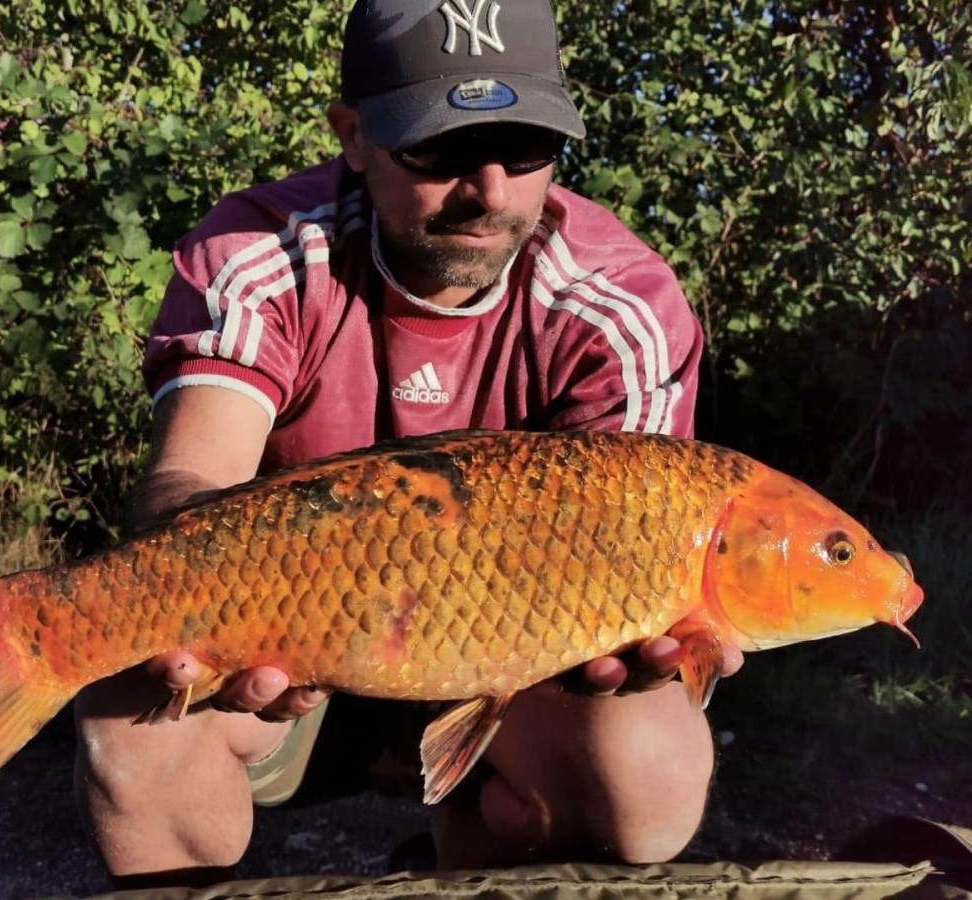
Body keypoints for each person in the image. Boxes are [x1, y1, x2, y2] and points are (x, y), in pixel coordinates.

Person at [74, 0, 744, 888]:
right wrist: (189, 606)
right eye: (439, 148)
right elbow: (193, 477)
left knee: (651, 760)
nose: (491, 192)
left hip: (513, 665)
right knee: (126, 716)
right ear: (353, 136)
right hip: (289, 651)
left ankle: (474, 857)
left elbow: (644, 546)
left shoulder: (619, 301)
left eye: (528, 145)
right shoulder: (265, 251)